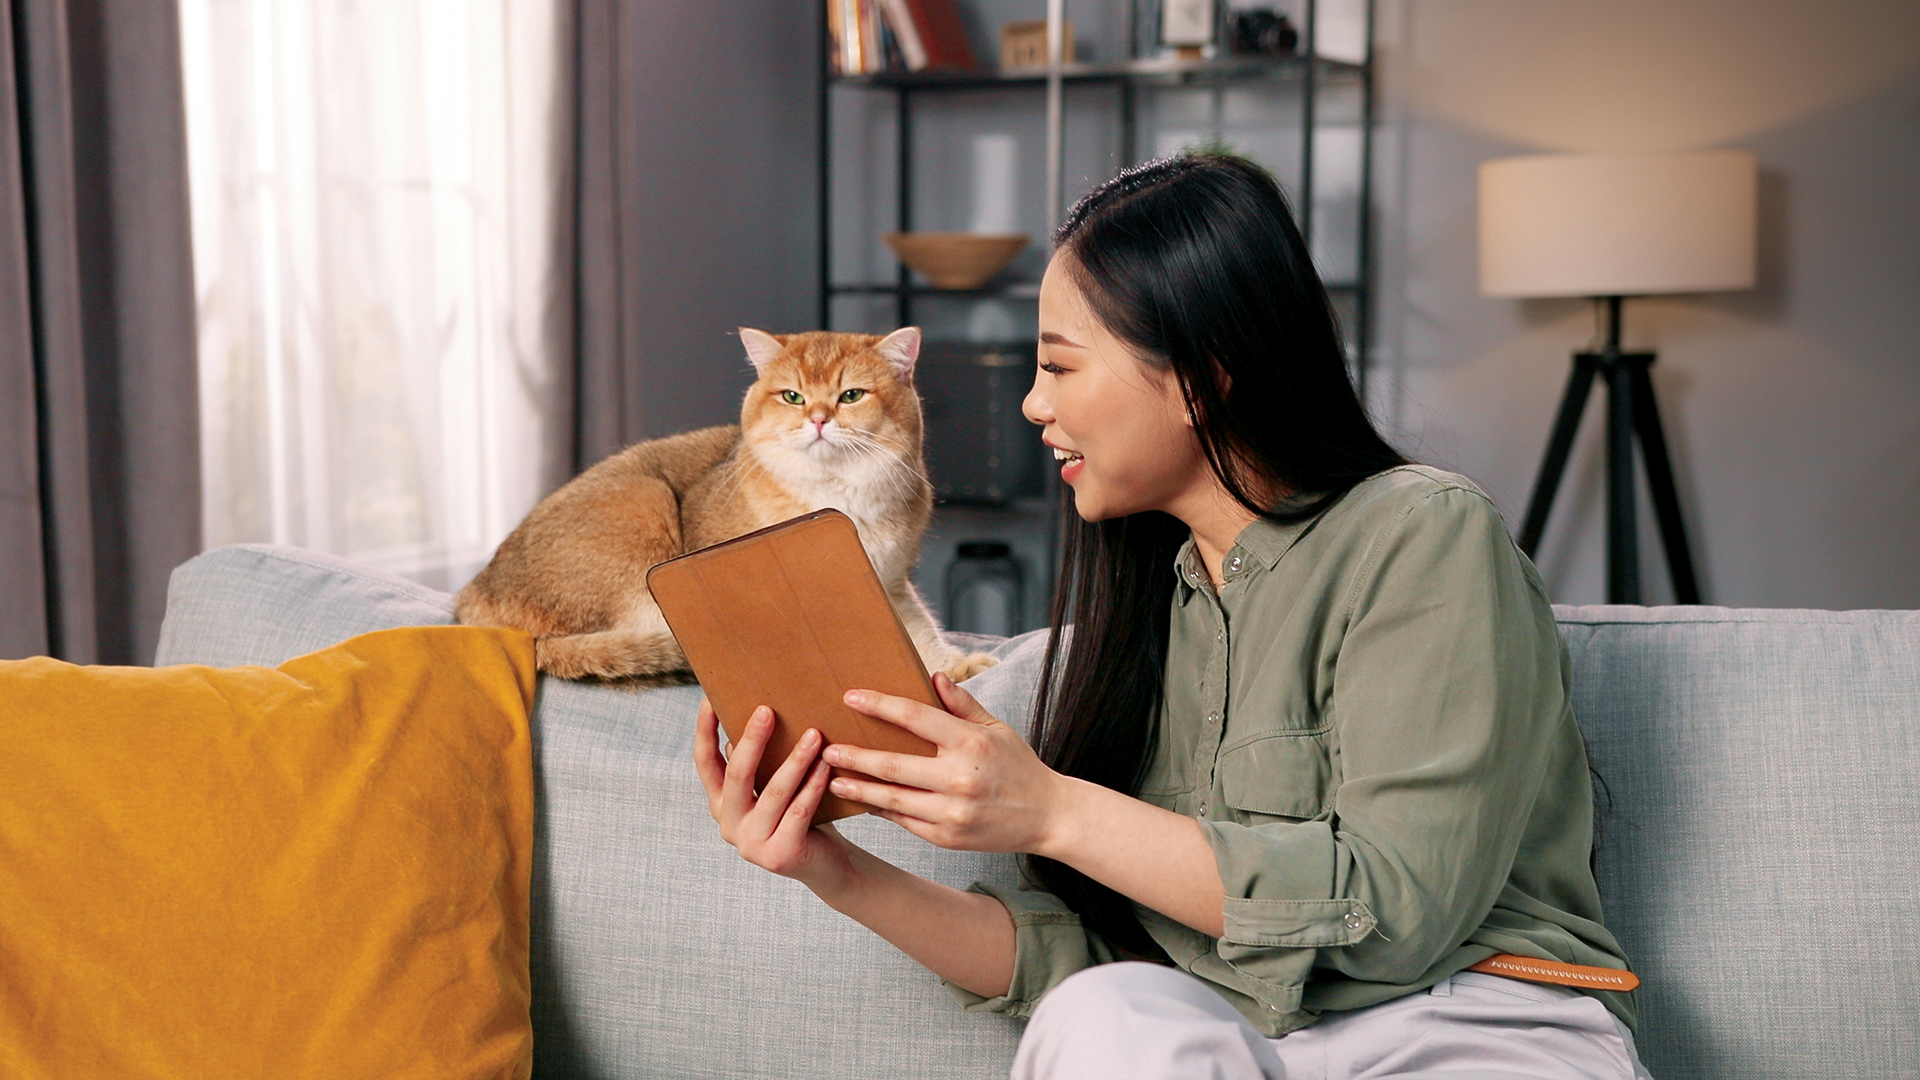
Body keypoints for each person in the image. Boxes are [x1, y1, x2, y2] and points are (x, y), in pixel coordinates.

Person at [692, 153, 1654, 1080]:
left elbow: (1397, 911)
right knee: (1099, 1011)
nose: (1031, 404)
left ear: (1201, 374)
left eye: (1060, 368)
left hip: (1473, 1025)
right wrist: (833, 868)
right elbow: (1090, 963)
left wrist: (1055, 810)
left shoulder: (1424, 536)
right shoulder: (1158, 600)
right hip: (1250, 1039)